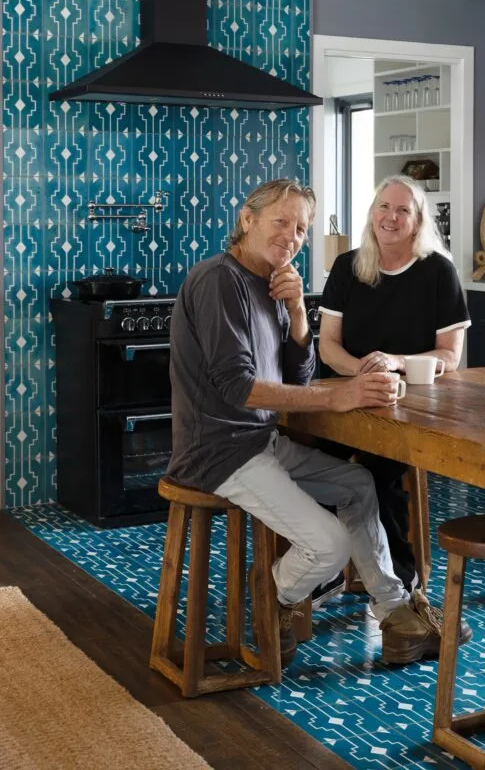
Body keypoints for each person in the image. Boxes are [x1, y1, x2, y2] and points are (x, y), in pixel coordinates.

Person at [167, 178, 443, 667]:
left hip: (258, 441)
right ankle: (272, 598)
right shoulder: (218, 280)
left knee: (359, 484)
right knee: (329, 543)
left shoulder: (271, 281)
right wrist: (338, 400)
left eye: (301, 229)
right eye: (281, 222)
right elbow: (239, 389)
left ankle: (396, 610)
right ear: (247, 219)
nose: (292, 237)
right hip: (218, 453)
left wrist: (296, 311)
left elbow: (300, 373)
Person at [318, 175, 472, 640]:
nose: (391, 217)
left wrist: (396, 365)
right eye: (383, 206)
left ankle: (400, 583)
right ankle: (324, 568)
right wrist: (362, 377)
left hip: (409, 404)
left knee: (379, 471)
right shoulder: (348, 267)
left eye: (403, 210)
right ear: (372, 213)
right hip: (345, 394)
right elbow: (328, 347)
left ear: (418, 220)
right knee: (311, 461)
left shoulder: (438, 272)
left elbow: (450, 355)